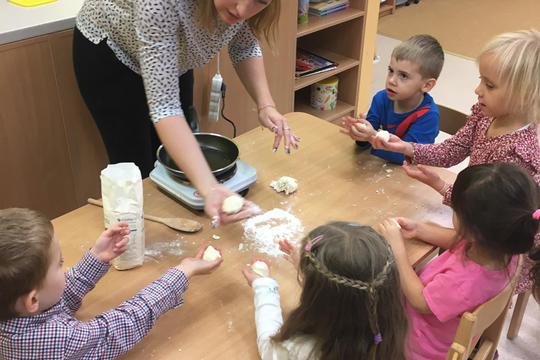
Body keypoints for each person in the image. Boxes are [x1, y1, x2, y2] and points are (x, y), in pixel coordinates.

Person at [73, 0, 299, 224]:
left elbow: (243, 44)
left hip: (172, 56)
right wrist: (210, 188)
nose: (242, 10)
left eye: (259, 2)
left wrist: (265, 105)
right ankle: (139, 241)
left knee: (178, 165)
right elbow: (165, 107)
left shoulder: (238, 8)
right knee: (136, 167)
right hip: (113, 54)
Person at [371, 29, 540, 294]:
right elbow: (453, 149)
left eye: (490, 85)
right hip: (475, 221)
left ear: (525, 96)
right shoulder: (486, 114)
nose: (477, 90)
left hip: (498, 254)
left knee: (412, 278)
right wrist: (408, 147)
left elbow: (492, 226)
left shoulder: (514, 158)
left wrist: (442, 188)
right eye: (481, 80)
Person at [0, 208, 223, 359]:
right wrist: (182, 272)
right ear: (32, 299)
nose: (65, 267)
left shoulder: (14, 308)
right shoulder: (60, 338)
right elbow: (126, 323)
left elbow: (58, 298)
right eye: (59, 263)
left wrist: (97, 256)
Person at [378, 163, 540, 360]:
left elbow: (420, 301)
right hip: (445, 334)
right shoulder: (506, 250)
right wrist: (420, 229)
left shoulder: (465, 283)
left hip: (419, 347)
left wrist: (397, 251)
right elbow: (460, 240)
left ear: (474, 231)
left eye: (455, 211)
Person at [242, 222, 408, 360]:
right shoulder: (390, 331)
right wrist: (311, 269)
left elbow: (268, 348)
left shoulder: (302, 350)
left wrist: (263, 286)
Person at [340, 34, 443, 164]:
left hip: (405, 177)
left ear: (426, 85)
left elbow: (407, 158)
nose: (392, 80)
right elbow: (365, 145)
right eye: (391, 71)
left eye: (403, 76)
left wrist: (372, 136)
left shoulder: (428, 116)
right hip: (375, 167)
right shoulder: (381, 99)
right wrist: (360, 133)